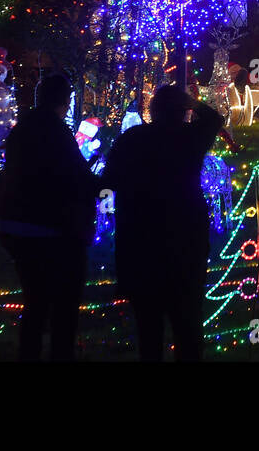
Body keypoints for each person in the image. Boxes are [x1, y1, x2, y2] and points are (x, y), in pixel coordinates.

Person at [103, 82, 223, 361]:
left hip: (140, 240)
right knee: (188, 324)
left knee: (149, 328)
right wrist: (191, 102)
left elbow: (108, 182)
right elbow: (215, 119)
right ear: (183, 112)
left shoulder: (132, 139)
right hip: (185, 240)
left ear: (154, 111)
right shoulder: (191, 138)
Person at [0, 73, 100, 362]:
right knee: (63, 306)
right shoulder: (55, 130)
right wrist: (108, 183)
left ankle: (29, 353)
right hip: (50, 228)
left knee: (35, 302)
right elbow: (75, 176)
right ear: (64, 101)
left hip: (16, 223)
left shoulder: (23, 128)